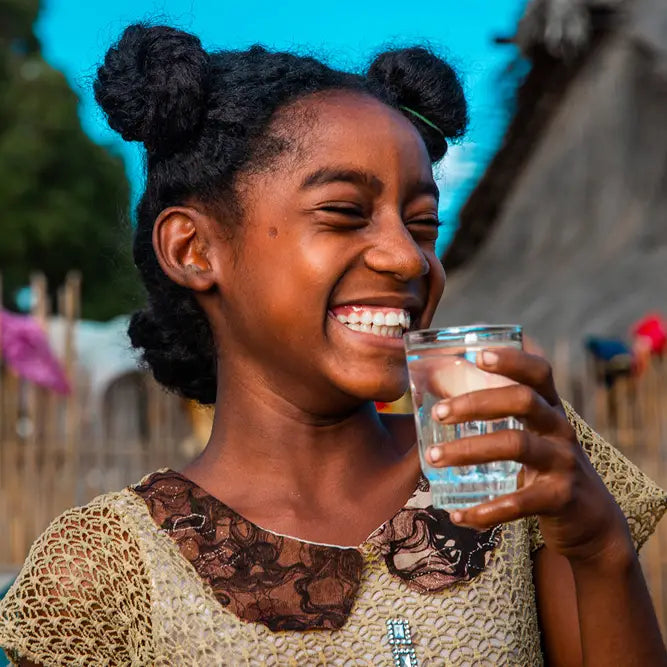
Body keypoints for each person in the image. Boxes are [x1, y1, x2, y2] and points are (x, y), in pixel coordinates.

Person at [1, 24, 666, 666]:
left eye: (424, 224)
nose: (407, 258)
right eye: (345, 212)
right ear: (193, 248)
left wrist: (598, 547)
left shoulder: (515, 469)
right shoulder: (103, 571)